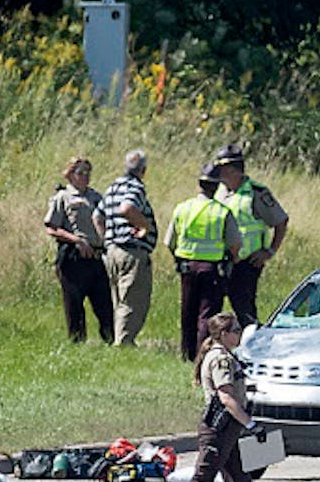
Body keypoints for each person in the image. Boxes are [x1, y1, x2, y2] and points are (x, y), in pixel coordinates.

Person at [168, 311, 292, 482]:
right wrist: (251, 424)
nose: (238, 333)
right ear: (223, 334)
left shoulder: (225, 356)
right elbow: (225, 398)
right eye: (235, 330)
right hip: (218, 431)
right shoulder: (220, 359)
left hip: (228, 432)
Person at [165, 163, 241, 361]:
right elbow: (235, 244)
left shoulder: (183, 208)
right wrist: (232, 259)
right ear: (217, 186)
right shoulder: (221, 212)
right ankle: (202, 355)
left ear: (199, 184)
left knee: (187, 311)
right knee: (207, 315)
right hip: (212, 269)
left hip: (187, 268)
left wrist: (180, 257)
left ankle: (186, 353)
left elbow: (169, 241)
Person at [213, 144, 288, 328]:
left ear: (234, 170)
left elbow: (281, 221)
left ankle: (253, 341)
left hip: (247, 262)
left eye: (223, 169)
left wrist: (269, 251)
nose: (220, 174)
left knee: (244, 308)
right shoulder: (219, 191)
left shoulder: (256, 193)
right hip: (221, 258)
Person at [42, 156, 114, 343]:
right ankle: (77, 343)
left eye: (88, 173)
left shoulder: (96, 197)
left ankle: (110, 340)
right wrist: (76, 240)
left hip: (96, 256)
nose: (85, 177)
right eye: (80, 173)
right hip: (73, 256)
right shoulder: (63, 197)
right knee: (74, 304)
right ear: (70, 175)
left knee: (104, 303)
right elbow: (51, 227)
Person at [94, 149, 157, 346]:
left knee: (119, 300)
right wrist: (144, 226)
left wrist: (106, 239)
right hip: (131, 251)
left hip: (112, 251)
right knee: (133, 300)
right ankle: (124, 343)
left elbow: (97, 216)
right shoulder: (135, 187)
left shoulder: (113, 187)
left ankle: (121, 338)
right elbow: (127, 208)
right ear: (143, 170)